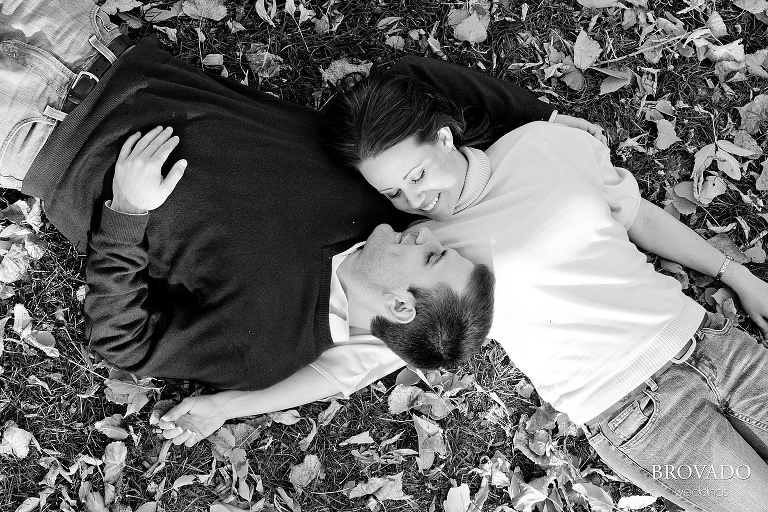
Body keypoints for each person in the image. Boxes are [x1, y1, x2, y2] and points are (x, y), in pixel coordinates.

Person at [2, 0, 602, 446]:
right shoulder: (382, 200)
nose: (428, 232)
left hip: (34, 135)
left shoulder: (267, 347)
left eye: (432, 256)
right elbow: (412, 82)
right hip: (87, 39)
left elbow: (123, 342)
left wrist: (127, 215)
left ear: (399, 307)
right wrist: (542, 119)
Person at [325, 73, 768, 512]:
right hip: (637, 414)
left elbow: (640, 220)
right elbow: (378, 339)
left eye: (417, 175)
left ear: (443, 137)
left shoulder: (542, 143)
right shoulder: (424, 249)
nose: (414, 199)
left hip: (716, 345)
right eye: (393, 193)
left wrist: (741, 278)